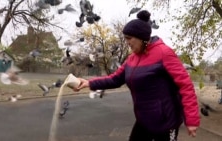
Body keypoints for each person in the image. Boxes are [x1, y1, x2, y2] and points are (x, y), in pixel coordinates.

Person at [74, 10, 200, 141]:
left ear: (141, 37)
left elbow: (185, 86)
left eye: (129, 38)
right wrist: (89, 83)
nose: (127, 42)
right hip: (143, 120)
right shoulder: (132, 59)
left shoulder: (164, 53)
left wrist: (191, 119)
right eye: (125, 38)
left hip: (165, 122)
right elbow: (115, 79)